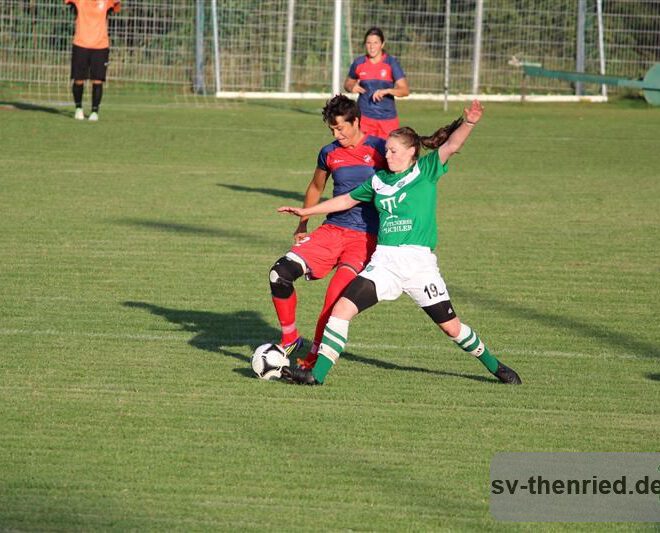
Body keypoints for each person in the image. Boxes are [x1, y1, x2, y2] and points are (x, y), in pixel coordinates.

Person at [278, 100, 522, 386]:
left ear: (411, 152)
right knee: (341, 309)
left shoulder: (426, 170)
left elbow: (451, 146)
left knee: (452, 328)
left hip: (419, 266)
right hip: (384, 264)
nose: (388, 156)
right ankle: (315, 376)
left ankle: (495, 366)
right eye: (386, 151)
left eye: (393, 151)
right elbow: (346, 199)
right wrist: (306, 212)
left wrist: (469, 123)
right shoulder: (379, 180)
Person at [268, 95, 387, 368]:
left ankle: (313, 358)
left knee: (334, 303)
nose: (337, 134)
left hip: (364, 240)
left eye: (341, 128)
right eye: (332, 129)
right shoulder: (329, 152)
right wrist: (302, 224)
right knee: (279, 274)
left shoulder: (381, 149)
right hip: (331, 231)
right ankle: (290, 340)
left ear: (356, 121)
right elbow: (315, 187)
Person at [344, 27, 410, 139]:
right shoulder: (359, 63)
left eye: (375, 43)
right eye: (369, 43)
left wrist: (387, 91)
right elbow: (347, 84)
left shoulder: (391, 63)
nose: (372, 46)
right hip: (364, 118)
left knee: (387, 154)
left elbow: (405, 90)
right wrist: (351, 87)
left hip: (388, 120)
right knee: (364, 153)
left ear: (382, 44)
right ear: (365, 44)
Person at [65, 0, 121, 121]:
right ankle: (78, 108)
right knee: (78, 79)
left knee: (98, 80)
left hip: (100, 45)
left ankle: (95, 111)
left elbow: (116, 8)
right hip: (81, 43)